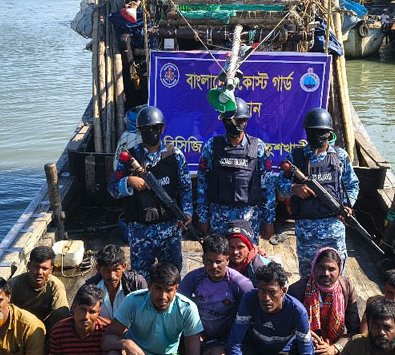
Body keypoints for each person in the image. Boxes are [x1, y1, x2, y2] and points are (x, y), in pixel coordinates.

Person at [109, 105, 193, 277]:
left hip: (169, 229)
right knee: (141, 280)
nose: (151, 132)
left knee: (171, 277)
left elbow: (185, 189)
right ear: (140, 130)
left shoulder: (175, 156)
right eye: (146, 129)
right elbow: (112, 189)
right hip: (140, 230)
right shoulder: (128, 158)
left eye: (155, 128)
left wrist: (187, 213)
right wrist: (129, 182)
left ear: (162, 128)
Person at [276, 108, 360, 276]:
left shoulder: (340, 157)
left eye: (321, 132)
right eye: (312, 132)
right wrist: (294, 189)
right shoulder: (296, 157)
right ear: (306, 132)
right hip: (306, 229)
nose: (317, 136)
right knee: (308, 277)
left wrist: (346, 204)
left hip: (333, 227)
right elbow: (279, 184)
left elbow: (352, 185)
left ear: (329, 133)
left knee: (335, 276)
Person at [196, 97, 276, 243]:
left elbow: (268, 188)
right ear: (223, 122)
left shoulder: (258, 148)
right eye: (230, 121)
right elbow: (202, 185)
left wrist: (268, 221)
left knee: (247, 261)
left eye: (239, 121)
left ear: (245, 121)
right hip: (219, 219)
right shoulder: (212, 146)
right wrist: (203, 218)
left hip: (249, 218)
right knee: (220, 260)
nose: (235, 125)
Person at [179, 234, 253, 355]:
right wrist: (192, 332)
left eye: (219, 261)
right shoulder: (193, 278)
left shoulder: (240, 283)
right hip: (198, 333)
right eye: (209, 261)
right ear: (203, 260)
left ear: (227, 259)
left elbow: (251, 314)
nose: (214, 266)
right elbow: (178, 308)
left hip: (225, 337)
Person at [287, 247, 360, 355]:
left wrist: (334, 348)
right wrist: (309, 337)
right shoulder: (297, 290)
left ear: (339, 270)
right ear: (314, 268)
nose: (326, 273)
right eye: (321, 268)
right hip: (304, 342)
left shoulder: (346, 288)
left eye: (332, 269)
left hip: (335, 342)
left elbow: (354, 330)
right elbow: (288, 325)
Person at [9, 245, 70, 329]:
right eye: (36, 267)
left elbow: (62, 313)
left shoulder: (55, 286)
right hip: (19, 325)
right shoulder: (14, 284)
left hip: (44, 325)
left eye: (44, 268)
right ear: (29, 266)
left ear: (51, 270)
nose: (39, 272)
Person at [84, 244, 148, 320]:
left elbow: (148, 313)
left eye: (116, 270)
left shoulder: (137, 284)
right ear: (98, 268)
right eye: (107, 270)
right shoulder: (89, 288)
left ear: (124, 267)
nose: (112, 276)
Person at [224, 219, 269, 286]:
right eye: (231, 247)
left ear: (249, 248)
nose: (235, 252)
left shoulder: (258, 267)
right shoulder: (223, 261)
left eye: (240, 247)